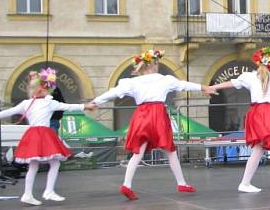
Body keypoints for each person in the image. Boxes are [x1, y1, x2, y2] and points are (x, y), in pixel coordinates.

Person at [90, 50, 213, 200]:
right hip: (157, 114)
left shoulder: (132, 82)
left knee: (138, 152)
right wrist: (203, 87)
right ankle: (181, 183)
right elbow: (183, 85)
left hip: (141, 115)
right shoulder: (164, 80)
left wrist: (95, 102)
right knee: (170, 150)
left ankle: (126, 185)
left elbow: (113, 93)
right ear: (155, 64)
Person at [0, 69, 93, 206]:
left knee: (33, 165)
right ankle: (48, 191)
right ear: (44, 90)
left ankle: (28, 194)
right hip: (44, 134)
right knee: (55, 163)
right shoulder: (48, 103)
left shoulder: (26, 103)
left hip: (32, 134)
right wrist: (86, 106)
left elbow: (9, 111)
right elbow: (68, 106)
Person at [210, 46, 270, 193]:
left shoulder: (250, 76)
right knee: (264, 147)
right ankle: (246, 183)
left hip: (256, 113)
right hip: (268, 114)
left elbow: (232, 83)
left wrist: (214, 86)